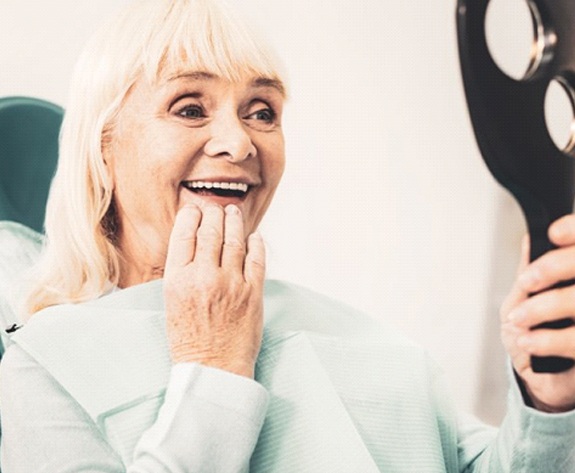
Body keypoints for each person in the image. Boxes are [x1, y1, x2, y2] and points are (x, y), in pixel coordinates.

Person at [1, 0, 575, 471]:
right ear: (103, 146)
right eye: (191, 107)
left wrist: (549, 403)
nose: (239, 142)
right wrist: (213, 367)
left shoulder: (368, 340)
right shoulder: (46, 364)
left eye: (262, 111)